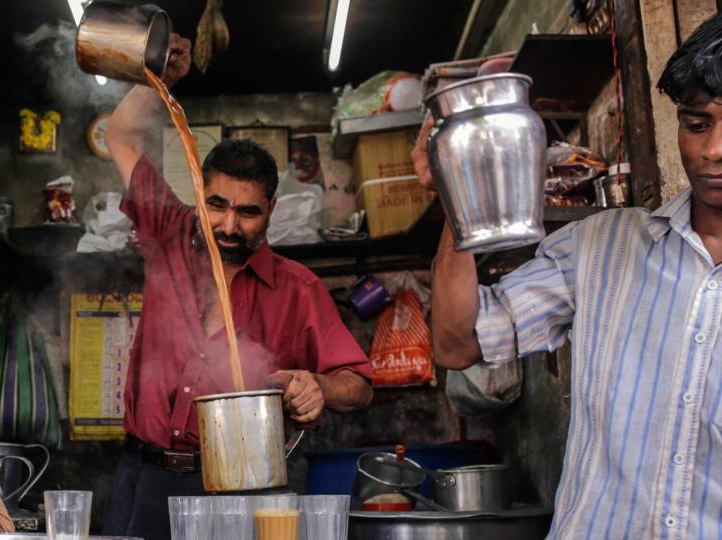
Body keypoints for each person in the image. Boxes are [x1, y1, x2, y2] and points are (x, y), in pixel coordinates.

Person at [414, 12, 722, 539]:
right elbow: (455, 343)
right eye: (696, 124)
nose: (713, 150)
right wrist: (456, 185)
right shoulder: (603, 247)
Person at [101, 34, 373, 539]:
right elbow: (121, 136)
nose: (229, 226)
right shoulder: (168, 233)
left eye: (248, 212)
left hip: (239, 492)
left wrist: (320, 386)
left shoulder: (299, 289)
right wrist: (160, 79)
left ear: (271, 209)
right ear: (199, 197)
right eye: (217, 206)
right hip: (143, 479)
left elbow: (357, 384)